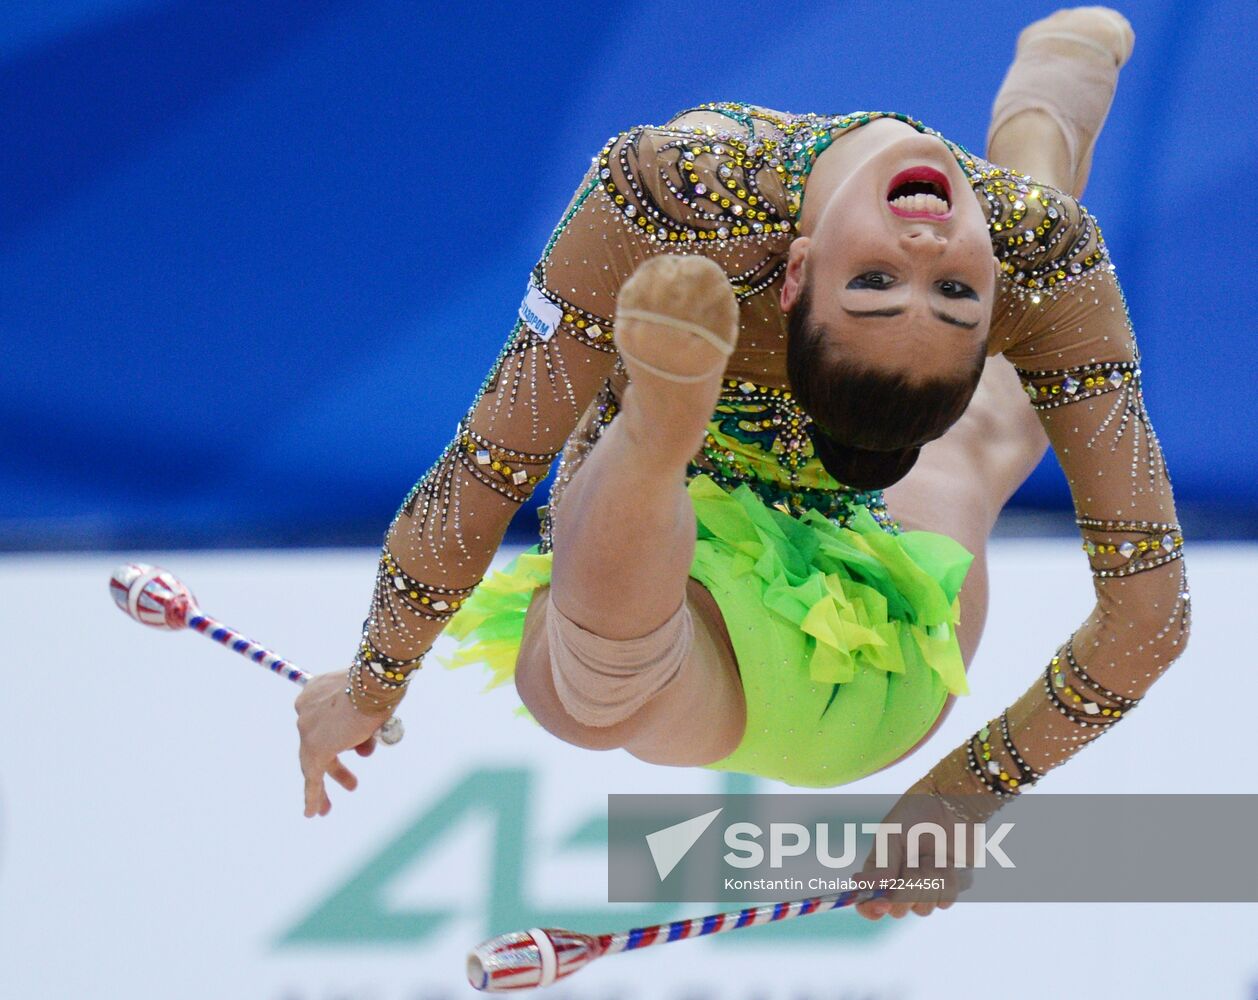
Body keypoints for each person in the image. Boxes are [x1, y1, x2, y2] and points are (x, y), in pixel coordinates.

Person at [296, 7, 1189, 919]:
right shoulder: (677, 190)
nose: (923, 253)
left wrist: (966, 793)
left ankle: (654, 435)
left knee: (598, 699)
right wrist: (374, 677)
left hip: (860, 631)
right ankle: (657, 439)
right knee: (1007, 354)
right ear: (794, 275)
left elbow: (1150, 620)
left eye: (923, 286)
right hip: (722, 563)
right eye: (899, 286)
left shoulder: (691, 197)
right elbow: (492, 466)